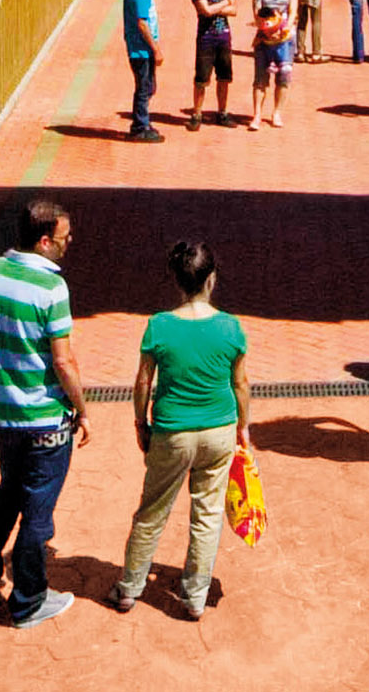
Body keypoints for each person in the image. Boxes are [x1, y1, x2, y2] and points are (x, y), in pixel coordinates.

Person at [0, 198, 88, 628]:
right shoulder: (52, 289)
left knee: (7, 498)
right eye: (65, 239)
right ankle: (28, 600)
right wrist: (82, 409)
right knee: (37, 516)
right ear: (45, 240)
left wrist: (4, 379)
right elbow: (64, 362)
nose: (70, 245)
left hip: (6, 420)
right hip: (47, 422)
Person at [111, 241, 250, 620]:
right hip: (219, 430)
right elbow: (240, 384)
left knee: (152, 512)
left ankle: (129, 588)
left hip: (171, 432)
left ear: (177, 281)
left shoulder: (159, 326)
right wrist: (243, 427)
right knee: (207, 513)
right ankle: (194, 597)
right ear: (212, 280)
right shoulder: (230, 326)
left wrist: (141, 423)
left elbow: (143, 383)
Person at [114, 0, 168, 142]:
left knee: (148, 86)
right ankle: (139, 127)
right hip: (141, 50)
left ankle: (143, 121)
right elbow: (142, 23)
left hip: (140, 49)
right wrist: (156, 49)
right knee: (144, 87)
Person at [186, 0, 237, 131]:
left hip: (224, 38)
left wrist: (216, 7)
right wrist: (225, 3)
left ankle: (222, 112)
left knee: (224, 77)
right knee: (201, 79)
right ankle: (196, 114)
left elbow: (235, 10)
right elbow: (204, 11)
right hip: (206, 40)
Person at [247, 0, 297, 130]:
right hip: (264, 38)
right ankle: (257, 115)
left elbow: (293, 12)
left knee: (283, 76)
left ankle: (277, 112)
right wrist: (266, 30)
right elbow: (257, 12)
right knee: (260, 78)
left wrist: (283, 30)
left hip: (285, 39)